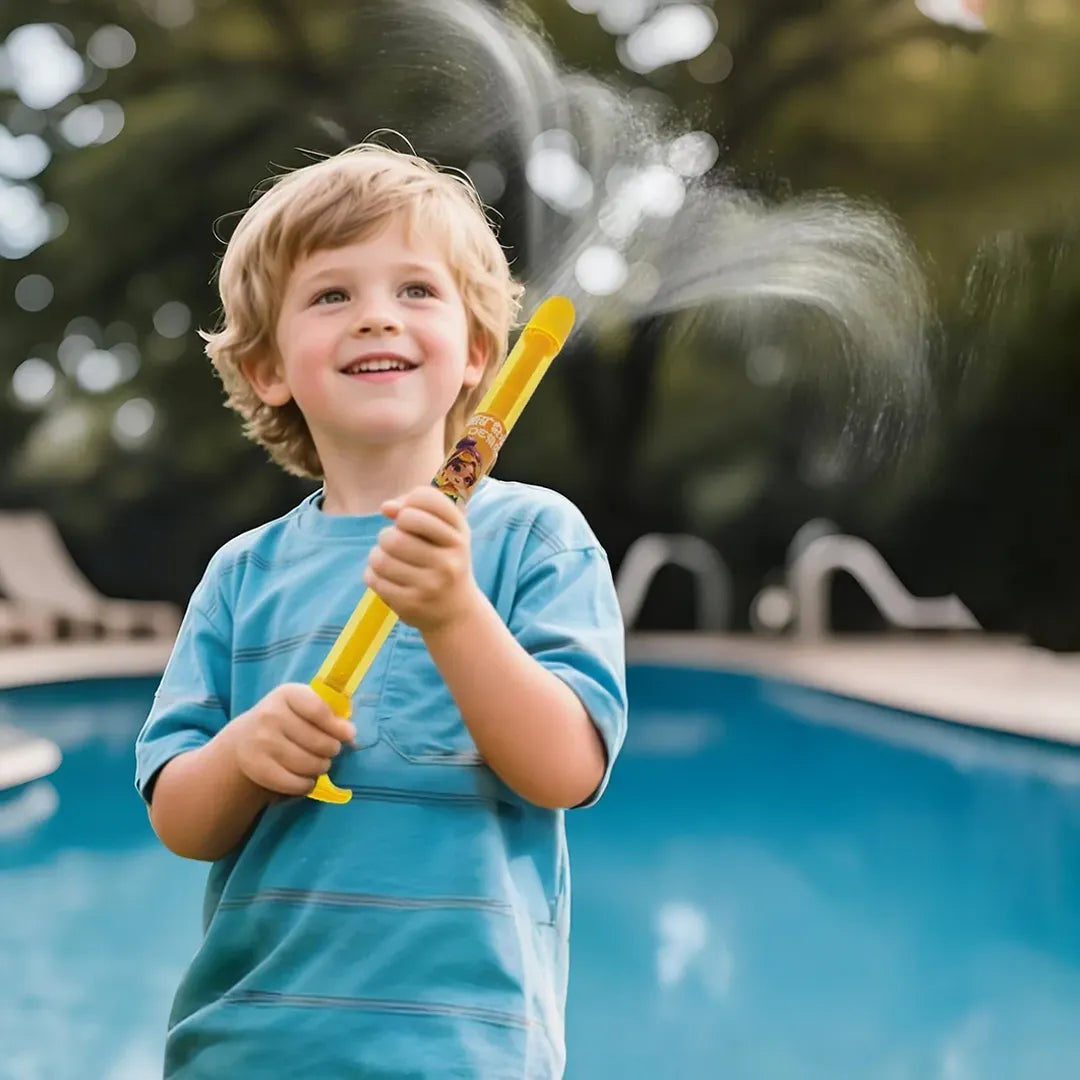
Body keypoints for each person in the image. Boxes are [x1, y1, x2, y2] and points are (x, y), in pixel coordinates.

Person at [134, 142, 627, 1078]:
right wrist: (241, 756)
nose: (374, 318)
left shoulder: (534, 539)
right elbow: (180, 819)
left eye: (415, 291)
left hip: (461, 1051)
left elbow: (565, 767)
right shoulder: (242, 574)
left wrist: (453, 615)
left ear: (479, 353)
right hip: (246, 1047)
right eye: (331, 296)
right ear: (268, 364)